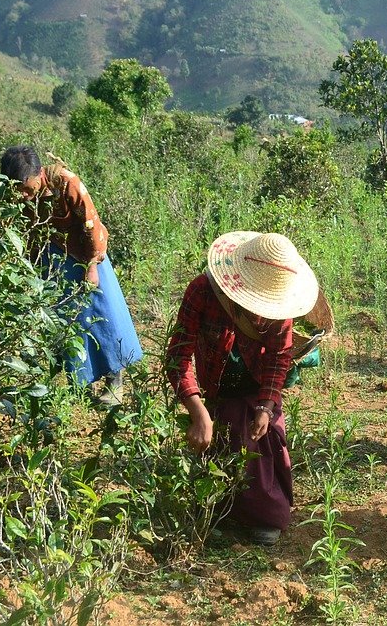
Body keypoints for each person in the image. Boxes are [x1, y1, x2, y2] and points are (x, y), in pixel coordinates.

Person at [166, 231, 319, 546]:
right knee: (221, 438)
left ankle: (263, 515)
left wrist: (266, 406)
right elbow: (178, 357)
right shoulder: (202, 291)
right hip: (216, 382)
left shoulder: (280, 302)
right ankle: (221, 506)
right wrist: (198, 411)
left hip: (256, 379)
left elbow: (278, 357)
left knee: (262, 437)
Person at [0, 145, 143, 406]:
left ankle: (115, 385)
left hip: (87, 256)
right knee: (68, 323)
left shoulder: (66, 183)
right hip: (51, 262)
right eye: (17, 189)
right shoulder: (16, 197)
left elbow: (91, 223)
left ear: (38, 173)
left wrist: (92, 266)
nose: (23, 195)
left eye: (26, 187)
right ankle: (80, 387)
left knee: (103, 318)